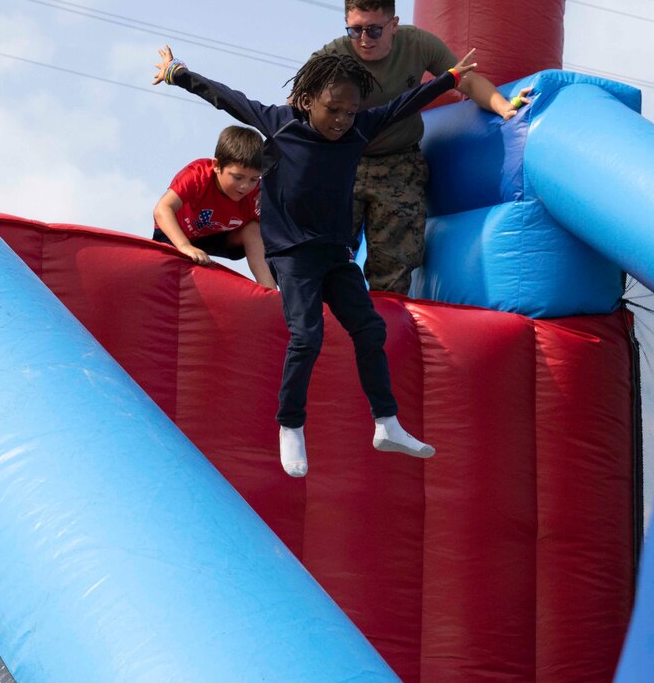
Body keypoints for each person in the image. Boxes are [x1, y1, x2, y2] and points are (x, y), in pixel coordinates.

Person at [152, 45, 477, 478]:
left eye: (350, 110)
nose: (342, 119)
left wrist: (449, 79)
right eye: (333, 109)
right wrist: (178, 73)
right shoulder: (280, 124)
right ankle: (290, 423)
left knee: (370, 327)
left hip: (335, 254)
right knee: (307, 336)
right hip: (291, 256)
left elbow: (404, 105)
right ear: (307, 101)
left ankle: (387, 423)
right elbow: (227, 98)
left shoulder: (359, 129)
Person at [312, 0, 532, 295]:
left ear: (394, 25)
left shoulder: (417, 44)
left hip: (398, 162)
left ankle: (384, 332)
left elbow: (465, 80)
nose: (363, 39)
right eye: (355, 30)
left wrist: (502, 106)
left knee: (395, 263)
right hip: (344, 160)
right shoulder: (334, 55)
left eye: (374, 31)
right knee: (322, 251)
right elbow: (300, 101)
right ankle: (321, 325)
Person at [152, 125, 276, 288]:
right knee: (164, 275)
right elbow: (162, 209)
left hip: (214, 236)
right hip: (176, 233)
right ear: (217, 166)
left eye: (254, 179)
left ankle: (270, 290)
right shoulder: (198, 175)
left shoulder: (257, 196)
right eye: (238, 177)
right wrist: (184, 246)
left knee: (254, 228)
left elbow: (273, 237)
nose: (246, 186)